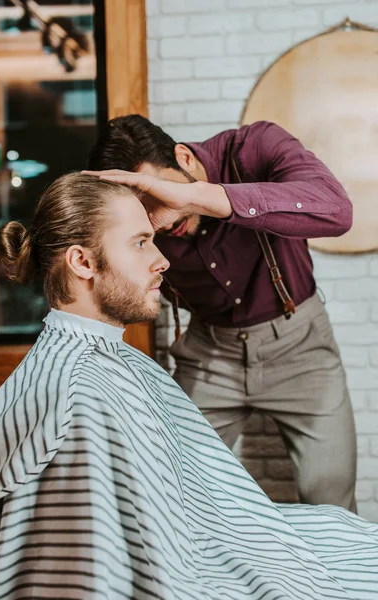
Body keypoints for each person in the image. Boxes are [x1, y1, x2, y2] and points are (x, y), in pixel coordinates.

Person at [0, 173, 377, 600]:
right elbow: (96, 570)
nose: (163, 260)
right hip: (202, 567)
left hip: (221, 541)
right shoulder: (77, 392)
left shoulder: (100, 363)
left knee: (344, 531)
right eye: (139, 243)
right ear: (83, 262)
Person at [85, 114, 357, 511]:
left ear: (184, 158)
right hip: (209, 355)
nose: (163, 218)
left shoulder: (253, 149)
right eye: (146, 211)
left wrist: (201, 198)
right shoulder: (147, 222)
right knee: (177, 494)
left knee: (330, 501)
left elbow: (336, 211)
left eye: (166, 193)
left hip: (302, 350)